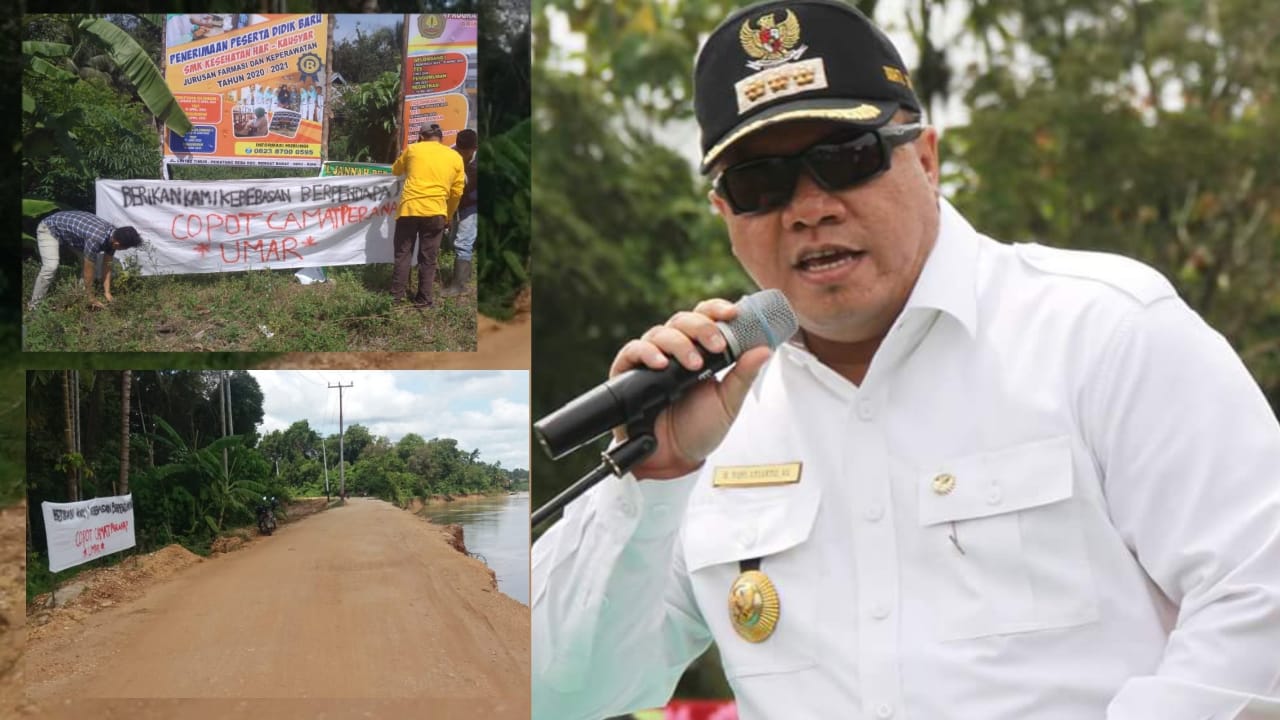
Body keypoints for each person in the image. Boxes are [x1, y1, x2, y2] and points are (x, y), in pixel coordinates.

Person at [531, 2, 1280, 719]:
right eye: (761, 183)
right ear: (727, 215)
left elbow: (1259, 594)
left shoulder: (1101, 330)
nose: (809, 207)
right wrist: (652, 480)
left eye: (845, 158)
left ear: (926, 158)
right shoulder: (714, 418)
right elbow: (557, 690)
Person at [389, 123, 466, 308]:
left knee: (403, 254)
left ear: (421, 136)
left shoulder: (413, 149)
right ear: (441, 138)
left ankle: (395, 298)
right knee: (428, 259)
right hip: (436, 212)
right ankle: (424, 300)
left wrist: (405, 156)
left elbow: (395, 170)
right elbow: (457, 193)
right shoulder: (455, 157)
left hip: (410, 209)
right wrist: (448, 215)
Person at [28, 210, 143, 309]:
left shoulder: (113, 237)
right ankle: (34, 306)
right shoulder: (96, 238)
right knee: (51, 267)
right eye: (125, 248)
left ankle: (80, 297)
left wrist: (107, 293)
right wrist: (91, 297)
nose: (123, 250)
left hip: (71, 235)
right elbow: (89, 269)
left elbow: (107, 265)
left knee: (91, 265)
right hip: (50, 228)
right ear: (117, 243)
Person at [442, 128, 479, 297]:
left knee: (463, 241)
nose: (462, 154)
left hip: (472, 203)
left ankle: (459, 286)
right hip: (455, 200)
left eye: (466, 151)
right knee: (452, 238)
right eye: (460, 150)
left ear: (475, 148)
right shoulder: (450, 154)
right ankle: (466, 274)